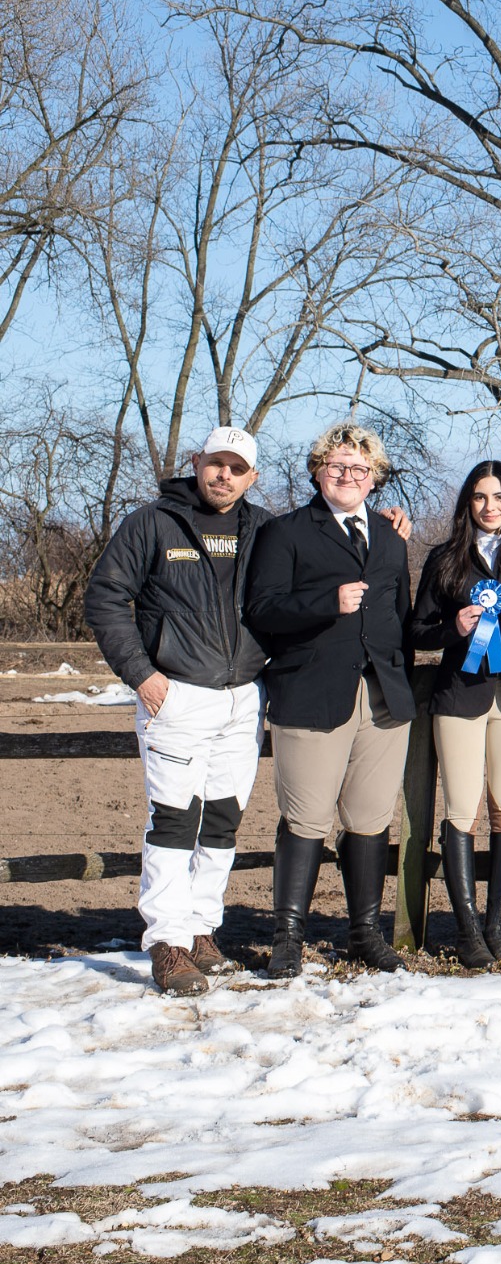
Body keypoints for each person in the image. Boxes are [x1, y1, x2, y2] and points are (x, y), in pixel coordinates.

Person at [84, 426, 272, 994]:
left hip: (243, 697)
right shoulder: (153, 522)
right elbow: (106, 596)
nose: (224, 476)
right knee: (174, 819)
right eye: (216, 464)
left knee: (222, 818)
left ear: (252, 477)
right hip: (178, 695)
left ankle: (201, 930)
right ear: (197, 462)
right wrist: (141, 673)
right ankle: (168, 942)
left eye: (237, 468)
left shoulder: (262, 529)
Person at [244, 422, 416, 977]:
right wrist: (326, 602)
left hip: (383, 697)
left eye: (359, 469)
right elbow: (262, 610)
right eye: (336, 466)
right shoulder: (286, 532)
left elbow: (401, 618)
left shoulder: (391, 539)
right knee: (305, 817)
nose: (347, 475)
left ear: (374, 479)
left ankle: (365, 934)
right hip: (312, 692)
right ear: (318, 471)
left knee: (369, 818)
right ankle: (288, 937)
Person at [407, 461, 501, 971]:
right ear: (468, 503)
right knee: (462, 811)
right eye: (481, 497)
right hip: (459, 699)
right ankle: (466, 932)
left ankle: (497, 928)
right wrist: (452, 630)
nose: (490, 507)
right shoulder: (444, 558)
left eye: (499, 497)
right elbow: (417, 632)